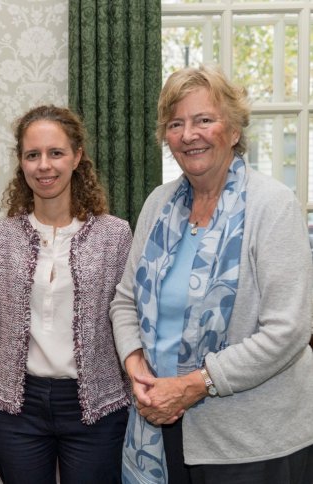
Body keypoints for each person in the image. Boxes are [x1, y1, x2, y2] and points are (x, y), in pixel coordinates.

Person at [110, 64, 313, 484]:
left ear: (234, 131)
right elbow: (125, 298)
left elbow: (287, 331)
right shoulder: (158, 204)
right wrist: (135, 366)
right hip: (161, 427)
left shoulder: (272, 205)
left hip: (253, 442)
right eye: (176, 123)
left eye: (204, 120)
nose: (189, 134)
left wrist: (194, 384)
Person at [0, 105, 132, 484]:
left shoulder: (115, 235)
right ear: (21, 163)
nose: (44, 165)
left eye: (55, 153)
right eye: (33, 155)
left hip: (96, 406)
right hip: (16, 408)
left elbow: (127, 321)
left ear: (77, 157)